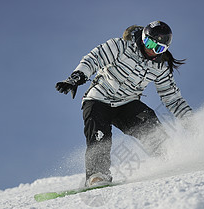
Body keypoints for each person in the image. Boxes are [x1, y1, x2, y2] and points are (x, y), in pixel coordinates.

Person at [55, 21, 193, 187]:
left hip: (127, 103)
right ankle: (97, 174)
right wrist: (77, 77)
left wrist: (189, 120)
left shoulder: (160, 67)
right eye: (149, 43)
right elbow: (94, 58)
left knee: (149, 124)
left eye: (159, 49)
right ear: (143, 38)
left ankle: (168, 159)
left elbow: (172, 98)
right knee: (99, 133)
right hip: (99, 99)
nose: (152, 50)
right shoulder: (119, 47)